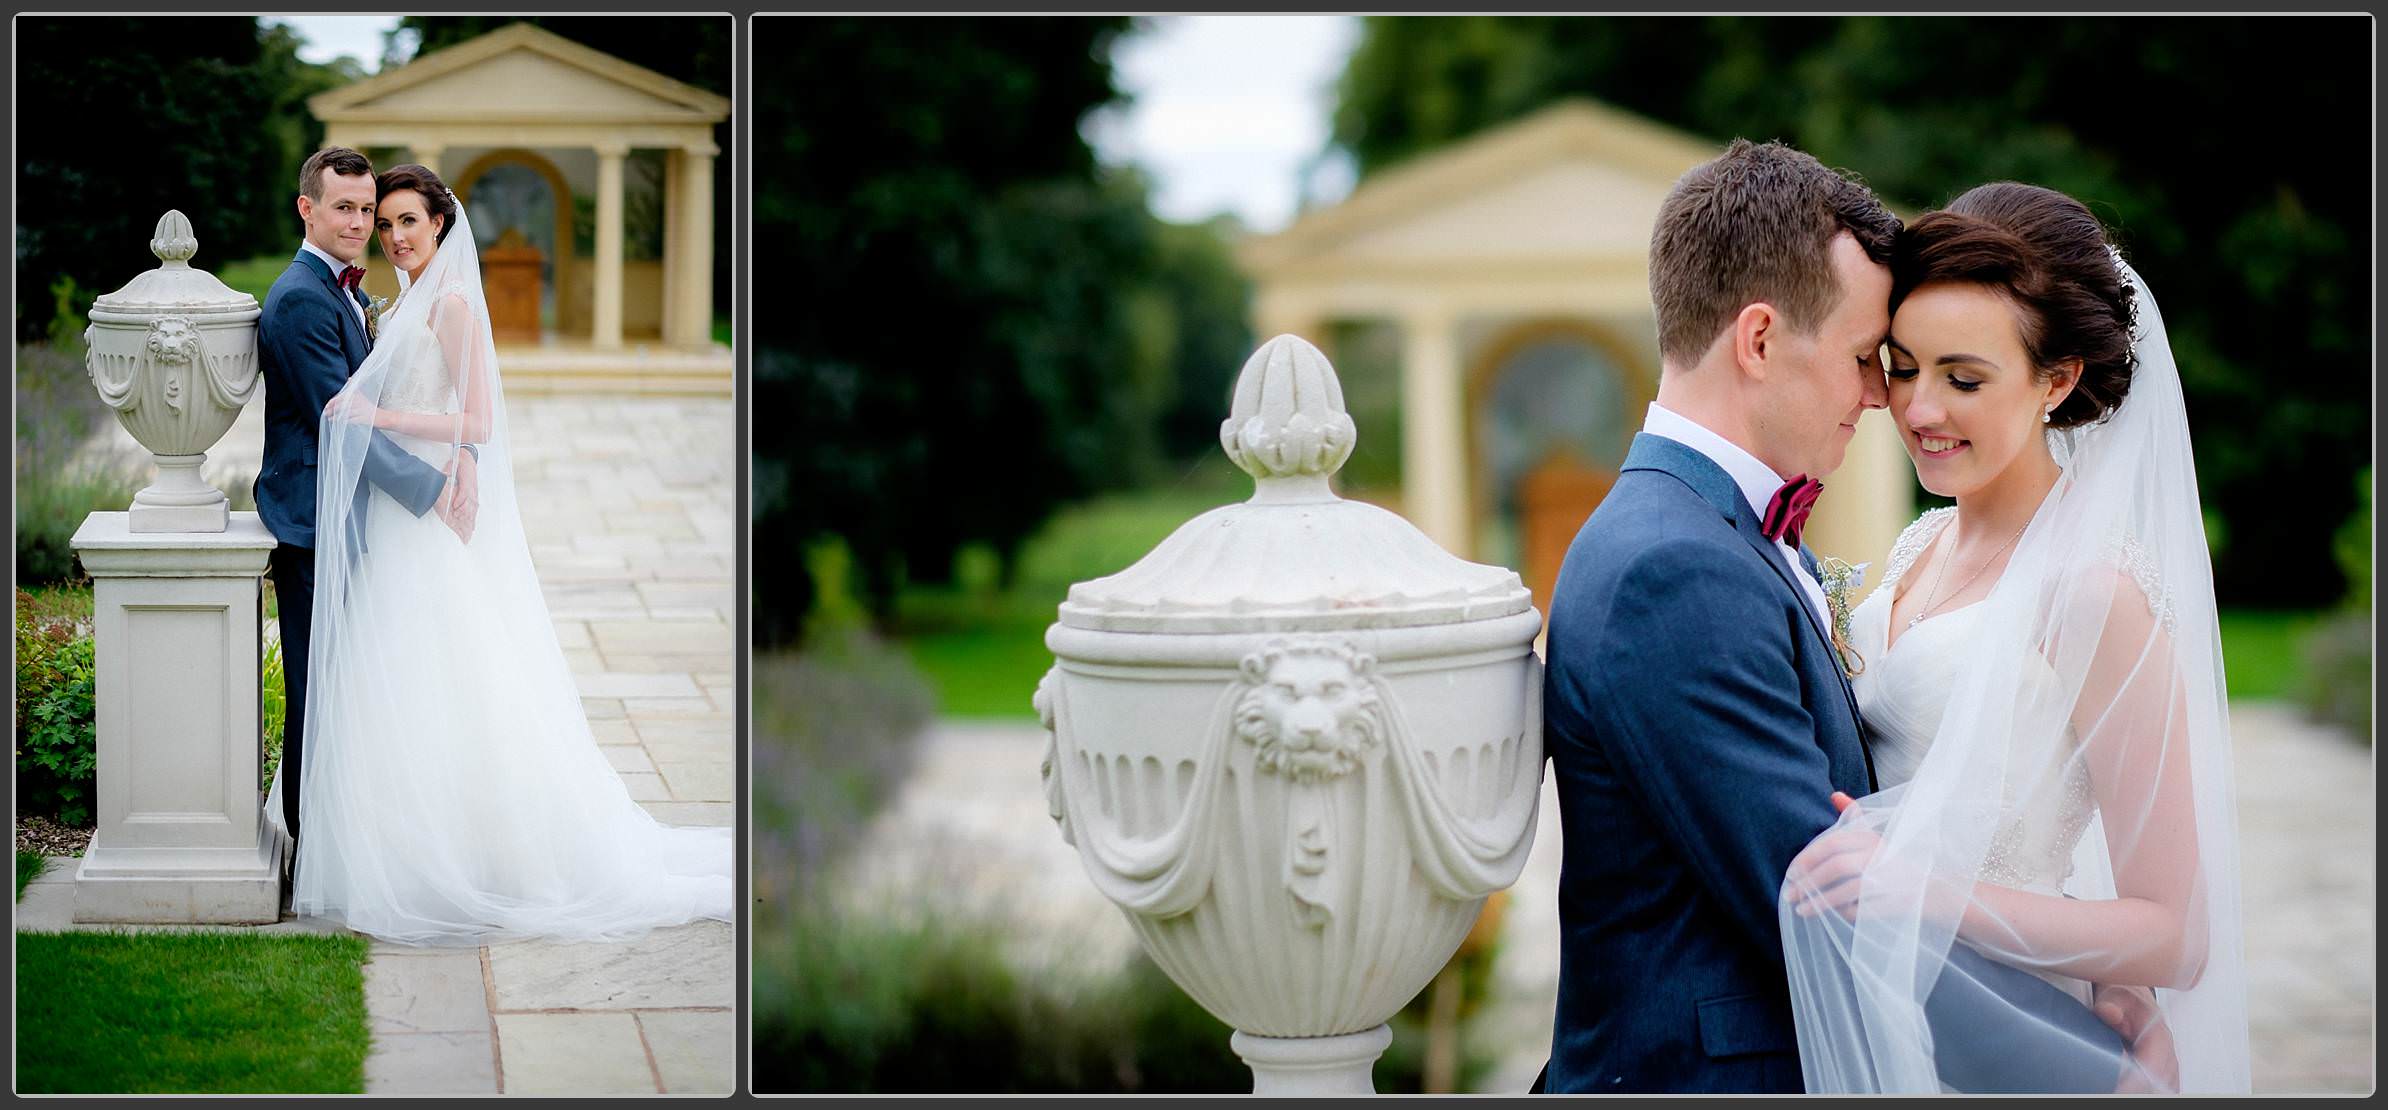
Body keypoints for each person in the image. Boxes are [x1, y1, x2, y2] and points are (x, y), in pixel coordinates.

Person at [1536, 140, 2125, 1093]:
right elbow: (1822, 905)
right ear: (1760, 340)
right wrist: (2090, 1060)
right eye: (1867, 359)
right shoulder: (1676, 569)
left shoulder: (1717, 532)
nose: (1880, 399)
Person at [1779, 182, 2249, 1093]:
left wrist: (1924, 892)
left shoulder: (2094, 594)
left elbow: (2176, 934)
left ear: (2057, 381)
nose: (1918, 409)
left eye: (1964, 378)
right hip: (1891, 1012)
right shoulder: (1920, 545)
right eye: (1903, 366)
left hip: (2013, 1030)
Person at [264, 163, 733, 945]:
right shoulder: (391, 298)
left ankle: (457, 849)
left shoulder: (448, 301)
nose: (390, 234)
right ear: (314, 209)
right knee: (401, 685)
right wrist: (435, 455)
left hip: (413, 517)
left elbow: (473, 417)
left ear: (441, 225)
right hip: (389, 516)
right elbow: (405, 409)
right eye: (382, 222)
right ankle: (393, 836)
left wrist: (426, 446)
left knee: (437, 680)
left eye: (402, 220)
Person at [255, 147, 470, 850]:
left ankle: (340, 839)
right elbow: (339, 424)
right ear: (306, 208)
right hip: (317, 522)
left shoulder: (344, 290)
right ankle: (312, 844)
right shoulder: (298, 300)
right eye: (345, 208)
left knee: (352, 689)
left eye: (366, 210)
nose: (360, 224)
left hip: (349, 517)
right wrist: (431, 487)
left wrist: (459, 453)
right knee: (319, 691)